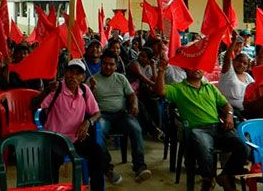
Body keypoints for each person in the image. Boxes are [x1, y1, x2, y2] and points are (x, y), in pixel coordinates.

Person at [154, 59, 249, 191]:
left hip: (217, 127)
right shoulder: (178, 88)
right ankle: (208, 179)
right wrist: (161, 71)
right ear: (186, 69)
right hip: (197, 129)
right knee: (203, 143)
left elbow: (226, 104)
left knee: (244, 145)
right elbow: (160, 92)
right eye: (193, 66)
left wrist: (228, 115)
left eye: (200, 66)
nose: (197, 69)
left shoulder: (209, 87)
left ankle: (225, 175)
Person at [32, 59, 106, 191]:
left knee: (98, 155)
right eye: (71, 72)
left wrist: (88, 122)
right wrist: (47, 90)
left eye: (78, 74)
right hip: (55, 139)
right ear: (65, 73)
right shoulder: (56, 89)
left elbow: (97, 113)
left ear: (83, 77)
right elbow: (33, 106)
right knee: (51, 165)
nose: (73, 76)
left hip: (77, 138)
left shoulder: (85, 90)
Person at [90, 51, 152, 183]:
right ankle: (107, 168)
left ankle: (139, 167)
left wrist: (134, 104)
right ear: (101, 64)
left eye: (111, 64)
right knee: (98, 133)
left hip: (121, 114)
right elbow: (85, 100)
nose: (107, 67)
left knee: (136, 129)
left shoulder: (121, 78)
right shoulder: (93, 79)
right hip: (102, 114)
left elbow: (131, 95)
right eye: (105, 64)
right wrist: (90, 88)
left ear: (116, 65)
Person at [218, 33, 254, 115]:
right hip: (231, 111)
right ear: (233, 61)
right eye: (239, 61)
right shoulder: (228, 72)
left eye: (245, 63)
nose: (241, 64)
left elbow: (255, 89)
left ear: (247, 67)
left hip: (246, 109)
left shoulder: (247, 76)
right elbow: (227, 58)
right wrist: (233, 42)